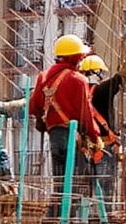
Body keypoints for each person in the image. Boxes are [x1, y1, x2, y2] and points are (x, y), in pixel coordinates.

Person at [29, 35, 102, 208]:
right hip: (71, 136)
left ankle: (54, 218)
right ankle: (69, 219)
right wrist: (95, 137)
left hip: (54, 136)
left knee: (59, 183)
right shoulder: (78, 80)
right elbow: (85, 115)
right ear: (76, 57)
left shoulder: (43, 77)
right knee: (74, 186)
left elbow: (33, 107)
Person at [78, 32, 126, 206]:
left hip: (83, 149)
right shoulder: (104, 90)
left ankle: (84, 220)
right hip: (104, 147)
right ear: (98, 72)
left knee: (83, 192)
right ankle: (105, 219)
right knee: (105, 192)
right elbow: (124, 74)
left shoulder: (76, 93)